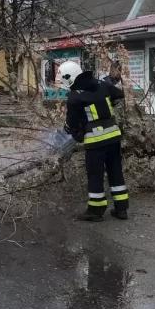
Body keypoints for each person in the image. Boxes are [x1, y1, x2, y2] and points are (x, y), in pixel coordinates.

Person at [59, 60, 128, 222]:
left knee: (95, 175)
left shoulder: (75, 97)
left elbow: (72, 124)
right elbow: (119, 95)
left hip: (96, 141)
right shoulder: (101, 84)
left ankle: (96, 211)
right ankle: (122, 209)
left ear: (69, 78)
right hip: (113, 136)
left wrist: (75, 132)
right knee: (116, 171)